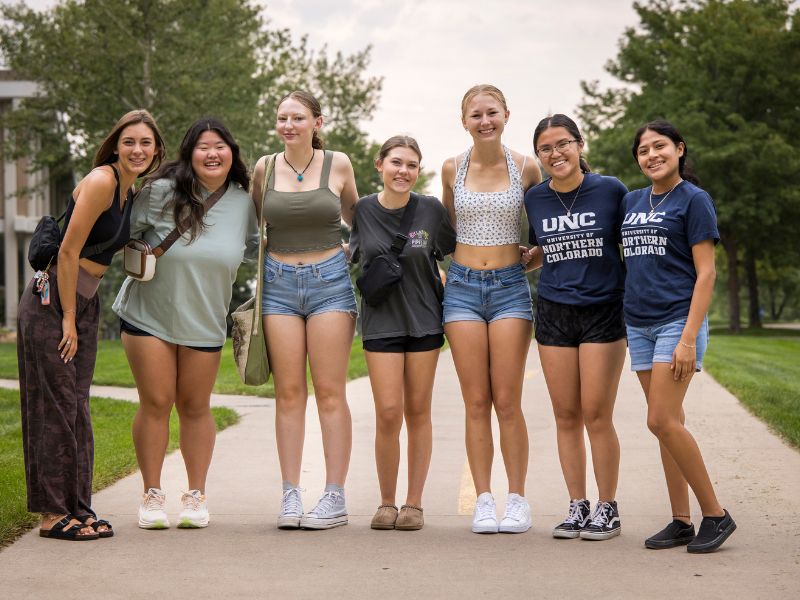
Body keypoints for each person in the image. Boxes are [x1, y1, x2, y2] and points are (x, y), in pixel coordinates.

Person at [17, 110, 165, 540]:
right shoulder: (102, 180)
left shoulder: (129, 188)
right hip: (53, 303)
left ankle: (79, 508)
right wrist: (67, 317)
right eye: (129, 142)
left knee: (77, 409)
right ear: (115, 145)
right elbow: (67, 252)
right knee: (55, 408)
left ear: (156, 150)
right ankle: (51, 514)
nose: (137, 150)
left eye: (146, 143)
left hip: (84, 302)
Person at [113, 117, 257, 529]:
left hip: (206, 319)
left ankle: (195, 496)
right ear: (189, 154)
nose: (212, 154)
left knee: (195, 407)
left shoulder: (244, 203)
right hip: (148, 315)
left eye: (220, 146)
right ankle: (152, 495)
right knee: (156, 403)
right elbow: (122, 233)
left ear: (232, 153)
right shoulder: (159, 192)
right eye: (202, 147)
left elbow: (255, 250)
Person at [621, 120, 736, 553]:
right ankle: (681, 520)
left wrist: (688, 338)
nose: (652, 155)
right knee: (668, 425)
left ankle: (716, 514)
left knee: (660, 419)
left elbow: (706, 272)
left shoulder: (694, 199)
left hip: (676, 321)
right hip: (638, 323)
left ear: (680, 149)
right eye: (644, 150)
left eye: (660, 146)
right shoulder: (632, 201)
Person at [251, 90, 359, 530]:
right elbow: (261, 221)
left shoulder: (339, 163)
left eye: (297, 117)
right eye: (282, 118)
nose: (288, 125)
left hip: (330, 284)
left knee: (331, 393)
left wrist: (353, 258)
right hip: (278, 286)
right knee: (289, 394)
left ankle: (334, 497)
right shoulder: (264, 168)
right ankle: (291, 495)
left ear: (317, 122)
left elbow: (360, 218)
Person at [441, 84, 542, 534]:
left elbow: (543, 227)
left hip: (509, 289)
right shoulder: (450, 169)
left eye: (492, 113)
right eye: (476, 115)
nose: (485, 121)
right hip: (462, 287)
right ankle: (484, 499)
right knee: (476, 401)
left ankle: (517, 499)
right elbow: (443, 232)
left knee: (507, 400)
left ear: (506, 114)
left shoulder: (527, 166)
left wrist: (536, 254)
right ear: (464, 121)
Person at [524, 114, 628, 540]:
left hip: (603, 310)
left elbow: (634, 240)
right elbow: (541, 249)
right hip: (553, 311)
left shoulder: (611, 190)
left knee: (596, 414)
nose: (556, 154)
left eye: (563, 144)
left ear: (580, 144)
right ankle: (577, 505)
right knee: (565, 415)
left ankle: (608, 507)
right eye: (546, 148)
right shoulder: (535, 198)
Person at [350, 136, 456, 531]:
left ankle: (414, 503)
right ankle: (386, 502)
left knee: (417, 411)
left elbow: (452, 250)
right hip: (380, 323)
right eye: (396, 162)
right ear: (380, 164)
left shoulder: (430, 209)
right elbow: (351, 254)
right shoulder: (362, 210)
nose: (404, 171)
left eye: (412, 165)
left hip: (425, 320)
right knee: (388, 413)